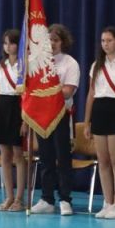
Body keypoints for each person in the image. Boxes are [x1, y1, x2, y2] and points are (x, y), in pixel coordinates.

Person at [82, 26, 115, 219]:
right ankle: (108, 202)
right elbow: (91, 94)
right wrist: (87, 122)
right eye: (103, 41)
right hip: (99, 112)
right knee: (103, 161)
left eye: (109, 40)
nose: (105, 44)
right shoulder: (96, 65)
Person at [29, 24, 80, 216]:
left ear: (63, 42)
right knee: (46, 158)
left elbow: (68, 91)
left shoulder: (70, 63)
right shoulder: (38, 63)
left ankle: (65, 199)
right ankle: (47, 199)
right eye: (49, 40)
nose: (52, 43)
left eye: (56, 40)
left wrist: (47, 90)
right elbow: (32, 90)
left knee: (63, 158)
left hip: (61, 115)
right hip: (42, 116)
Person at [0, 29, 29, 212]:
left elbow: (27, 94)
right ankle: (9, 196)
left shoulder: (25, 65)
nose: (8, 46)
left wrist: (25, 120)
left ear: (18, 45)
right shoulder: (0, 66)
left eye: (11, 42)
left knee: (18, 154)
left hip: (18, 107)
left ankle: (19, 198)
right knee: (5, 155)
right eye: (5, 43)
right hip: (2, 108)